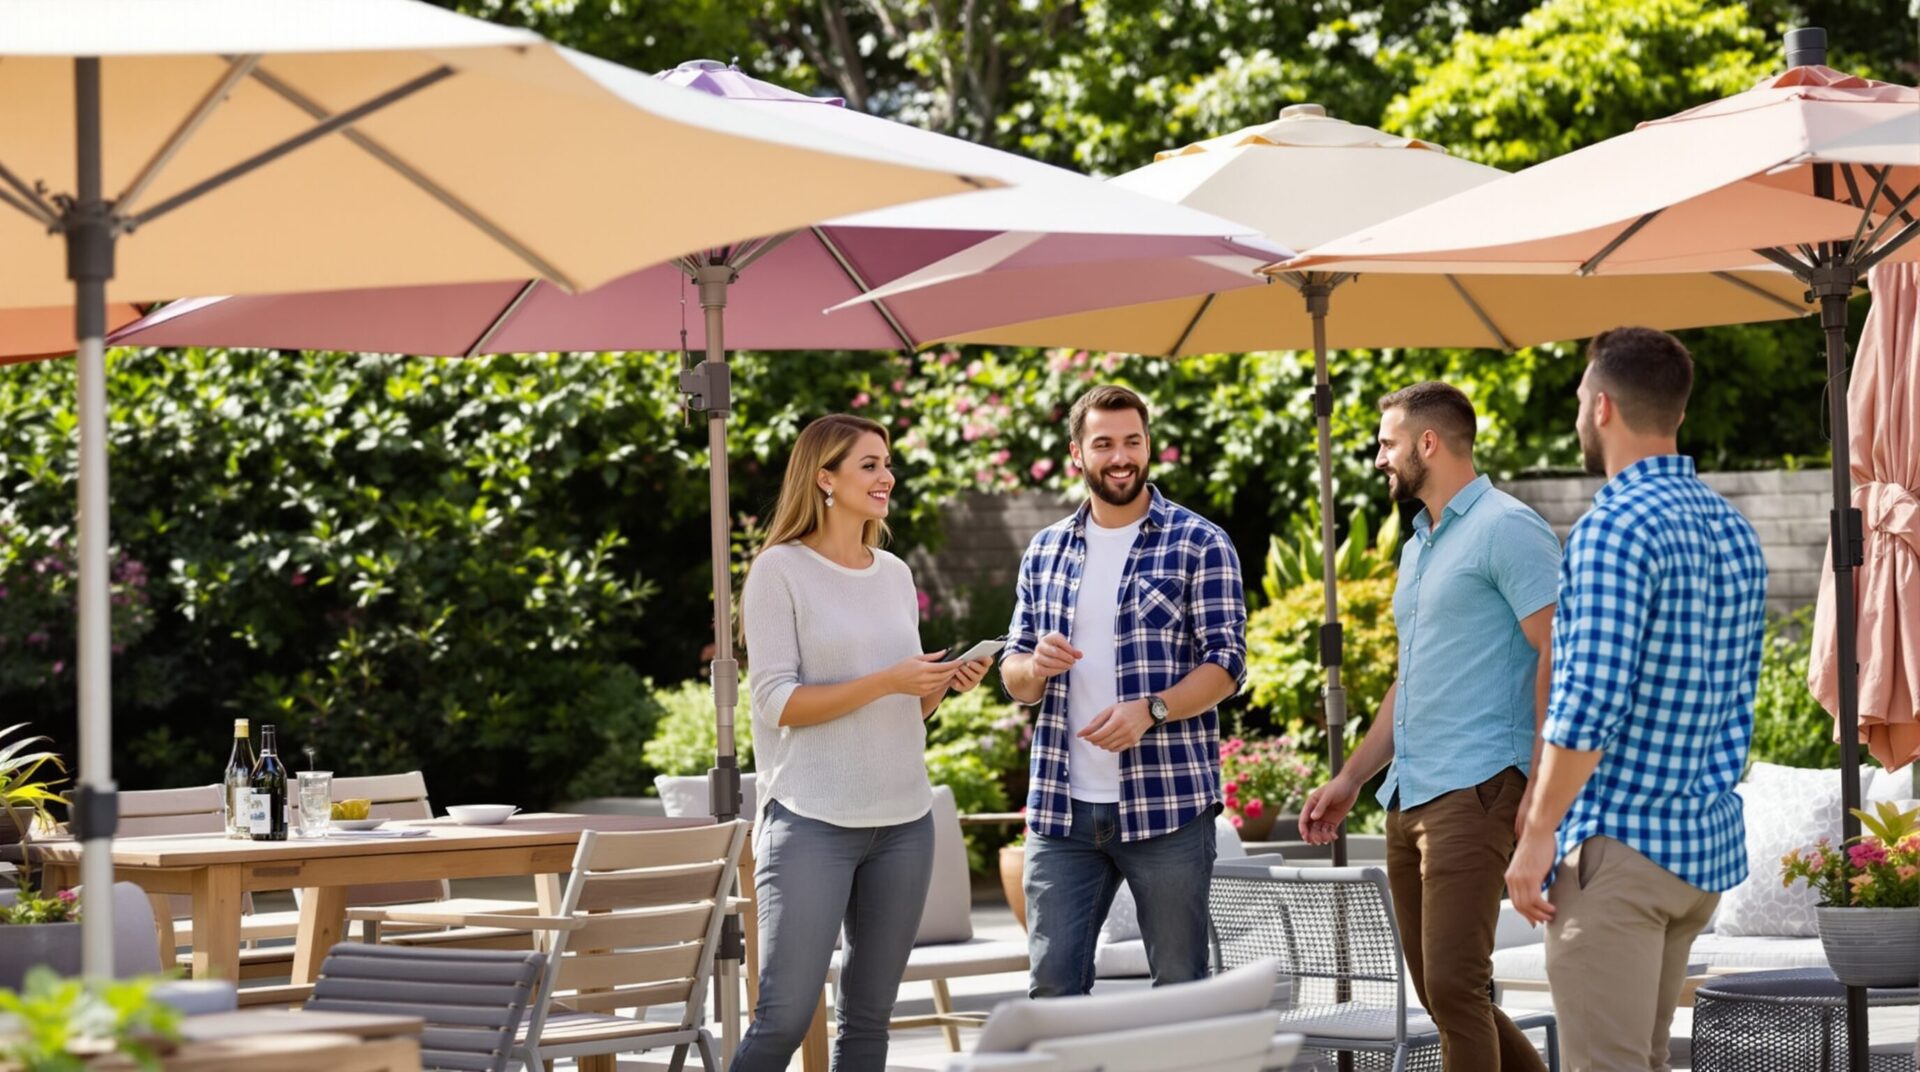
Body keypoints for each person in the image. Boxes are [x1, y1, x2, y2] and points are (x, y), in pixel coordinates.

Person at [1504, 327, 1768, 1072]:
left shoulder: (1613, 528)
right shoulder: (1733, 529)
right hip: (1696, 856)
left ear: (1602, 407)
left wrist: (1537, 833)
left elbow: (1589, 701)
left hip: (1621, 852)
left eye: (1579, 401)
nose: (1578, 416)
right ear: (1676, 412)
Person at [1298, 381, 1560, 1071]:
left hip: (1479, 788)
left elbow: (1556, 653)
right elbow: (1411, 681)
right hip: (1410, 793)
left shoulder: (1507, 527)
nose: (1379, 458)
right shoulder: (1420, 545)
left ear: (1428, 442)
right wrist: (1352, 778)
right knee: (1444, 993)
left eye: (1387, 444)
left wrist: (1540, 786)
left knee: (1454, 987)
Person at [732, 413, 991, 1072]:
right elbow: (775, 702)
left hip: (905, 822)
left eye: (887, 463)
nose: (886, 477)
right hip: (810, 821)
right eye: (869, 465)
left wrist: (940, 685)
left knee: (870, 1021)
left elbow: (906, 706)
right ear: (825, 478)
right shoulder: (779, 571)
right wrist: (887, 681)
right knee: (783, 1018)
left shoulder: (895, 573)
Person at [1000, 384, 1248, 997]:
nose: (1120, 457)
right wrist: (1035, 666)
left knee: (1181, 988)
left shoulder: (1199, 542)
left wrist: (1152, 710)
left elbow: (1227, 664)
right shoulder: (1045, 550)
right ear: (1076, 454)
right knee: (1052, 992)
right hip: (1062, 811)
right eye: (1104, 443)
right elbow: (1014, 672)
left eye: (1132, 441)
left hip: (1168, 806)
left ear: (1148, 446)